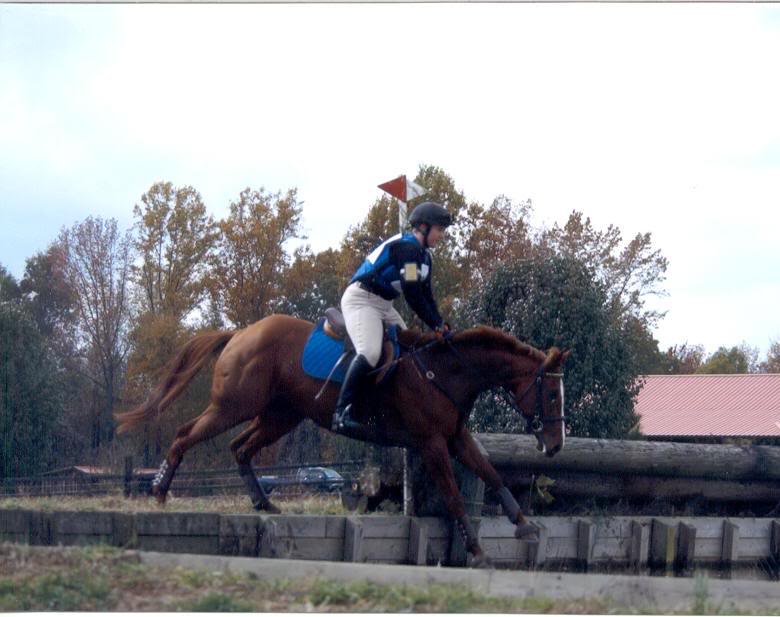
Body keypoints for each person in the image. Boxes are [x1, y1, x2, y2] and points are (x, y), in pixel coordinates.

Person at [332, 201, 452, 433]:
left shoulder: (424, 258)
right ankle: (341, 412)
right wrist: (435, 324)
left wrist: (441, 323)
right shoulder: (408, 250)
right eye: (439, 230)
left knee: (410, 352)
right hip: (361, 299)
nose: (441, 236)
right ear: (424, 228)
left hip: (384, 304)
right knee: (370, 352)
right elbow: (413, 295)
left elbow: (427, 296)